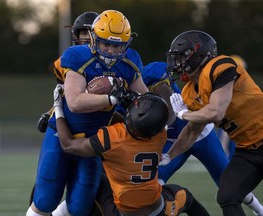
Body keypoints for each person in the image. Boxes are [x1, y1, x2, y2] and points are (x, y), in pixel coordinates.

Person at [27, 10, 148, 216]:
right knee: (45, 198)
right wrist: (112, 99)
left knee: (80, 206)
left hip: (94, 141)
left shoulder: (130, 62)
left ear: (126, 44)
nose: (110, 50)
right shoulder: (77, 56)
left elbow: (144, 100)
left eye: (116, 45)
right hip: (62, 132)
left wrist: (143, 103)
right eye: (105, 43)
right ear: (94, 39)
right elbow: (74, 102)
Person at [160, 30, 263, 216]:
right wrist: (170, 155)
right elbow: (192, 132)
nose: (177, 64)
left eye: (182, 57)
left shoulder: (220, 66)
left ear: (198, 54)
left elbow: (216, 112)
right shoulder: (189, 92)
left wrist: (184, 114)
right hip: (247, 151)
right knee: (227, 196)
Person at [53, 84, 210, 216]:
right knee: (185, 196)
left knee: (91, 177)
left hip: (121, 213)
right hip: (159, 210)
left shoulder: (112, 137)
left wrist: (58, 108)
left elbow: (68, 145)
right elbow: (144, 125)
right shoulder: (159, 135)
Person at [143, 61, 263, 216]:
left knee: (226, 181)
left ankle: (262, 211)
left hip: (201, 135)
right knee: (153, 182)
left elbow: (170, 112)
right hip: (173, 142)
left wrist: (160, 127)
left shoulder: (151, 75)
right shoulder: (134, 89)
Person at [36, 11, 99, 133]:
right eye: (84, 33)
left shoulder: (110, 62)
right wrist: (49, 113)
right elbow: (64, 96)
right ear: (76, 35)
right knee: (51, 152)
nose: (87, 37)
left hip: (102, 118)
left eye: (92, 33)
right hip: (73, 118)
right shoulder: (62, 63)